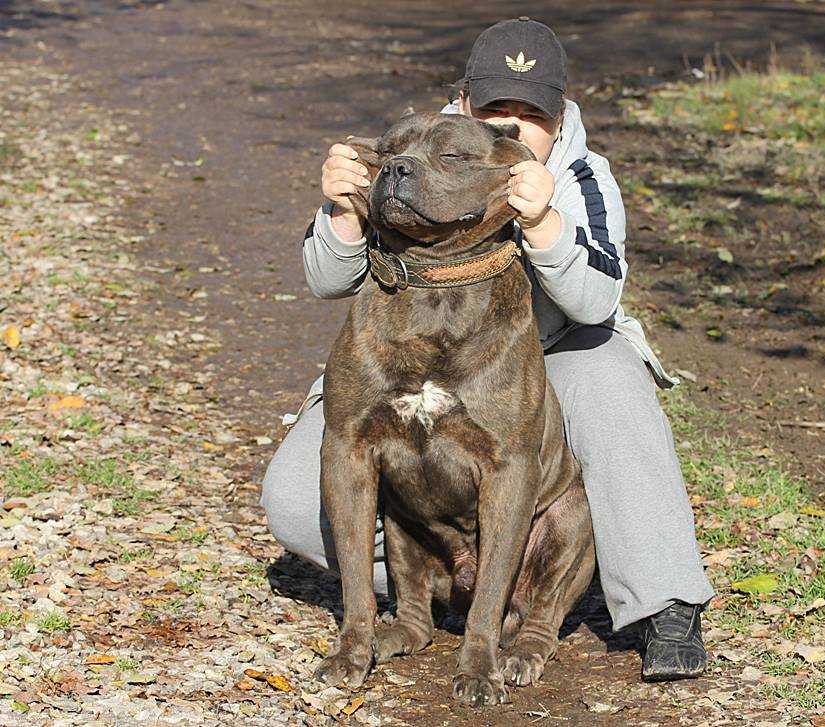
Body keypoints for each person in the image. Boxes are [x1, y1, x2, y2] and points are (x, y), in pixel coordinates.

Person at [260, 17, 715, 682]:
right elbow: (327, 280)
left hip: (551, 350)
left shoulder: (581, 172)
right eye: (496, 106)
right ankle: (442, 589)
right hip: (399, 350)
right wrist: (342, 212)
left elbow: (594, 301)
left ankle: (662, 599)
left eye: (531, 112)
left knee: (614, 377)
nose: (513, 123)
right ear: (465, 103)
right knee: (294, 498)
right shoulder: (411, 155)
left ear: (559, 118)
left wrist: (544, 220)